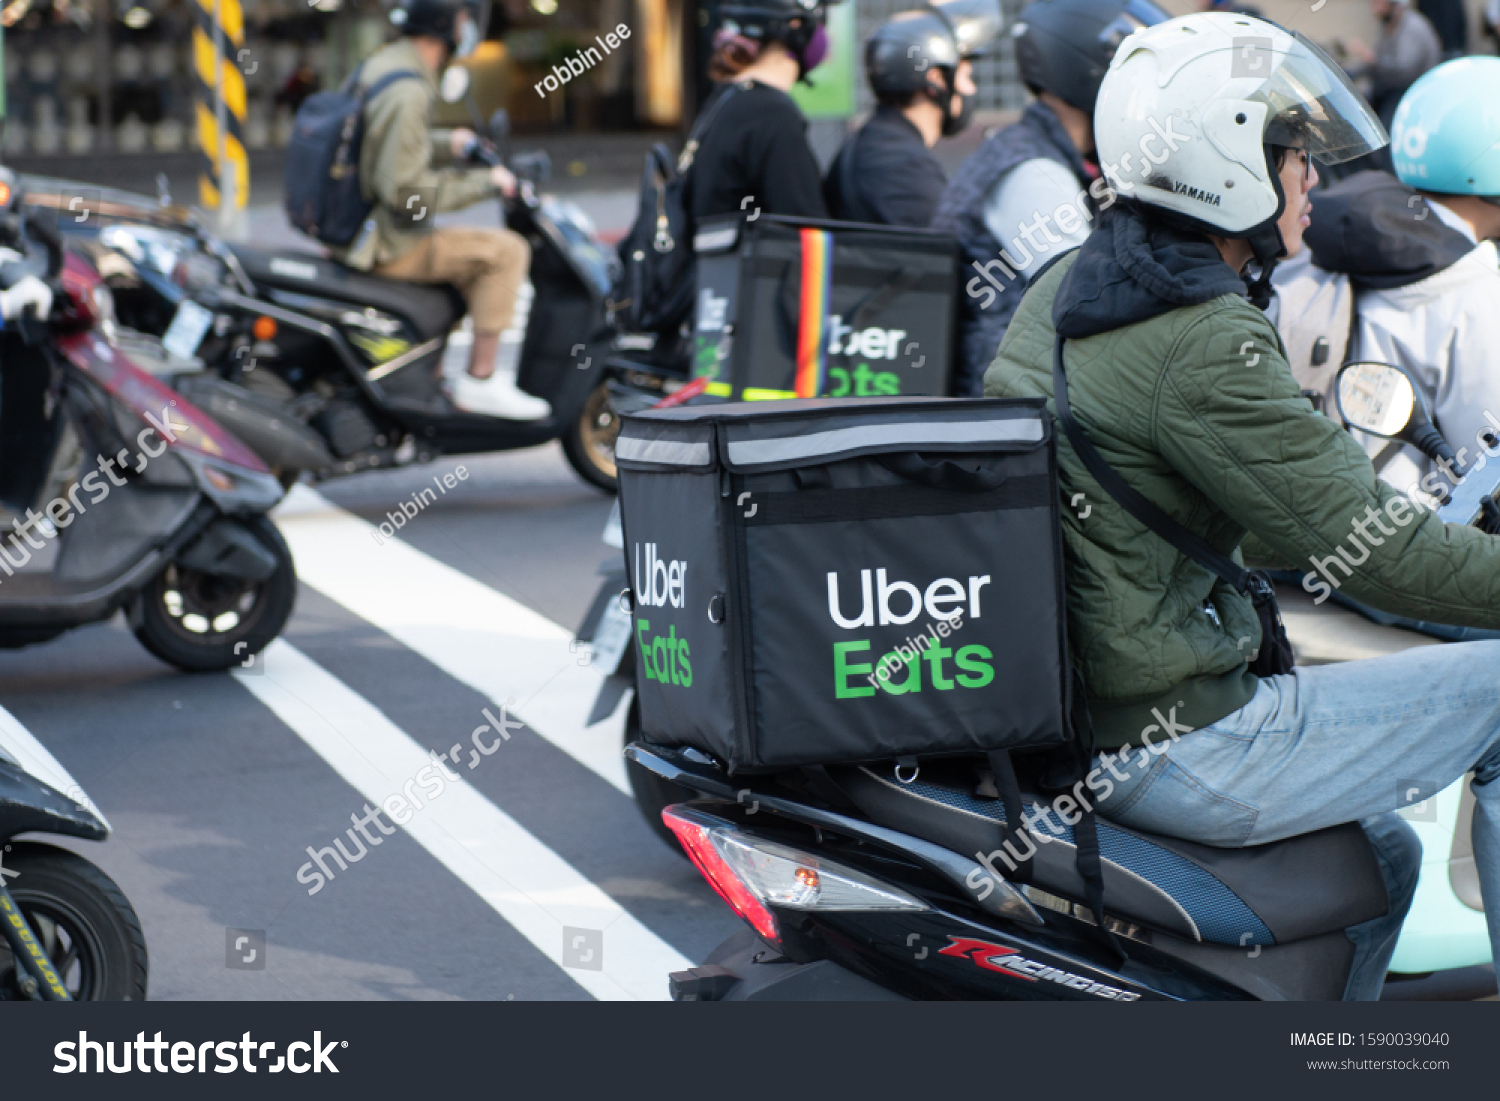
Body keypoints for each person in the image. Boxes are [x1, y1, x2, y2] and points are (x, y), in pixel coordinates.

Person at [978, 11, 1500, 999]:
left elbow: (1179, 495)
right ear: (1233, 171)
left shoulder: (1069, 285)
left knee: (1381, 853)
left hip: (1077, 717)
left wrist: (1321, 506)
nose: (1312, 179)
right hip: (1178, 737)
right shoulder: (1204, 335)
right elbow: (1382, 556)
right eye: (1295, 157)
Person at [1283, 58, 1500, 506]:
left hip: (1310, 518)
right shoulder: (1474, 288)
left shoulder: (1322, 230)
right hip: (1415, 551)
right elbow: (1488, 466)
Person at [931, 0, 1167, 397]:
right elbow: (1090, 305)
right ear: (1092, 67)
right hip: (1003, 428)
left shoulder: (1040, 154)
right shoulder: (1034, 173)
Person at [334, 0, 544, 420]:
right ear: (445, 26)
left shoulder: (384, 65)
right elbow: (405, 194)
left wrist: (451, 143)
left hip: (353, 228)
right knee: (507, 252)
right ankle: (481, 381)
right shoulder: (409, 89)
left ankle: (432, 369)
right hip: (385, 243)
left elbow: (386, 145)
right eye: (464, 19)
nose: (468, 28)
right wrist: (487, 184)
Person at [823, 0, 1000, 227]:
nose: (971, 89)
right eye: (965, 76)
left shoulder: (876, 141)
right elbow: (947, 252)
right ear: (936, 79)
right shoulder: (902, 165)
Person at [689, 0, 835, 224]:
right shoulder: (771, 112)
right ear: (796, 28)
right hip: (743, 257)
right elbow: (806, 225)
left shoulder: (731, 97)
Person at [1345, 0, 1441, 128]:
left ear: (1394, 5)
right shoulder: (1389, 25)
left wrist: (1373, 59)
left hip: (1410, 92)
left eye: (1379, 4)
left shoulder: (1412, 26)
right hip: (1390, 90)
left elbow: (1404, 69)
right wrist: (1350, 73)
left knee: (1385, 126)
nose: (1375, 10)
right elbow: (1374, 61)